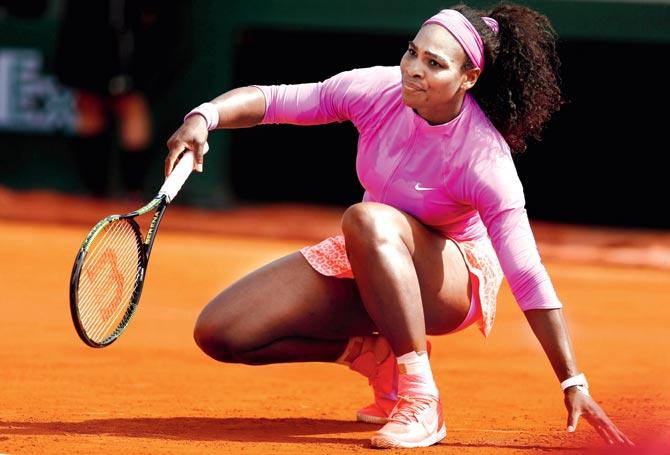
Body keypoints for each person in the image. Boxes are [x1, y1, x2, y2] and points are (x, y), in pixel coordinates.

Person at [165, 3, 634, 449]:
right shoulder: (375, 90)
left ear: (468, 78)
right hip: (374, 252)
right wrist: (204, 117)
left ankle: (421, 398)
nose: (413, 68)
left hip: (452, 282)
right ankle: (374, 357)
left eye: (434, 63)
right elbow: (277, 100)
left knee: (365, 219)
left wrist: (572, 379)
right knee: (223, 332)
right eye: (413, 52)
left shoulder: (484, 159)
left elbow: (527, 273)